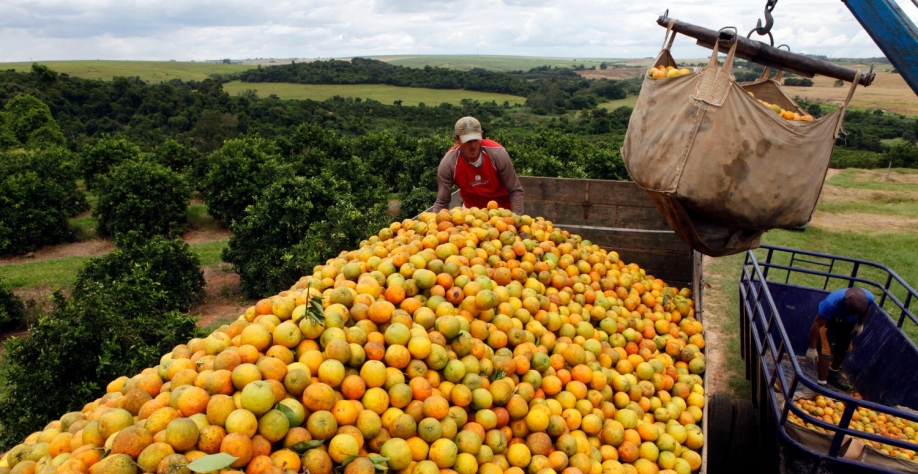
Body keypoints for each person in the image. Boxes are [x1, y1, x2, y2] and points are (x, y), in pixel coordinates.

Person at [432, 116, 524, 215]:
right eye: (468, 141)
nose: (473, 146)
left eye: (475, 139)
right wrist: (434, 225)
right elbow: (442, 201)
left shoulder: (497, 153)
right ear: (457, 139)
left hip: (502, 211)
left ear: (481, 135)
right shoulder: (449, 163)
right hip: (471, 213)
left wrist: (516, 221)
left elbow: (515, 190)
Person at [805, 287, 874, 390]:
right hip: (830, 319)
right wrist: (812, 348)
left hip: (847, 321)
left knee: (843, 347)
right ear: (846, 303)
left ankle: (833, 373)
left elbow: (867, 308)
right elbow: (817, 324)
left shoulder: (868, 298)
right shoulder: (830, 303)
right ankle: (822, 383)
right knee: (826, 350)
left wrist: (860, 324)